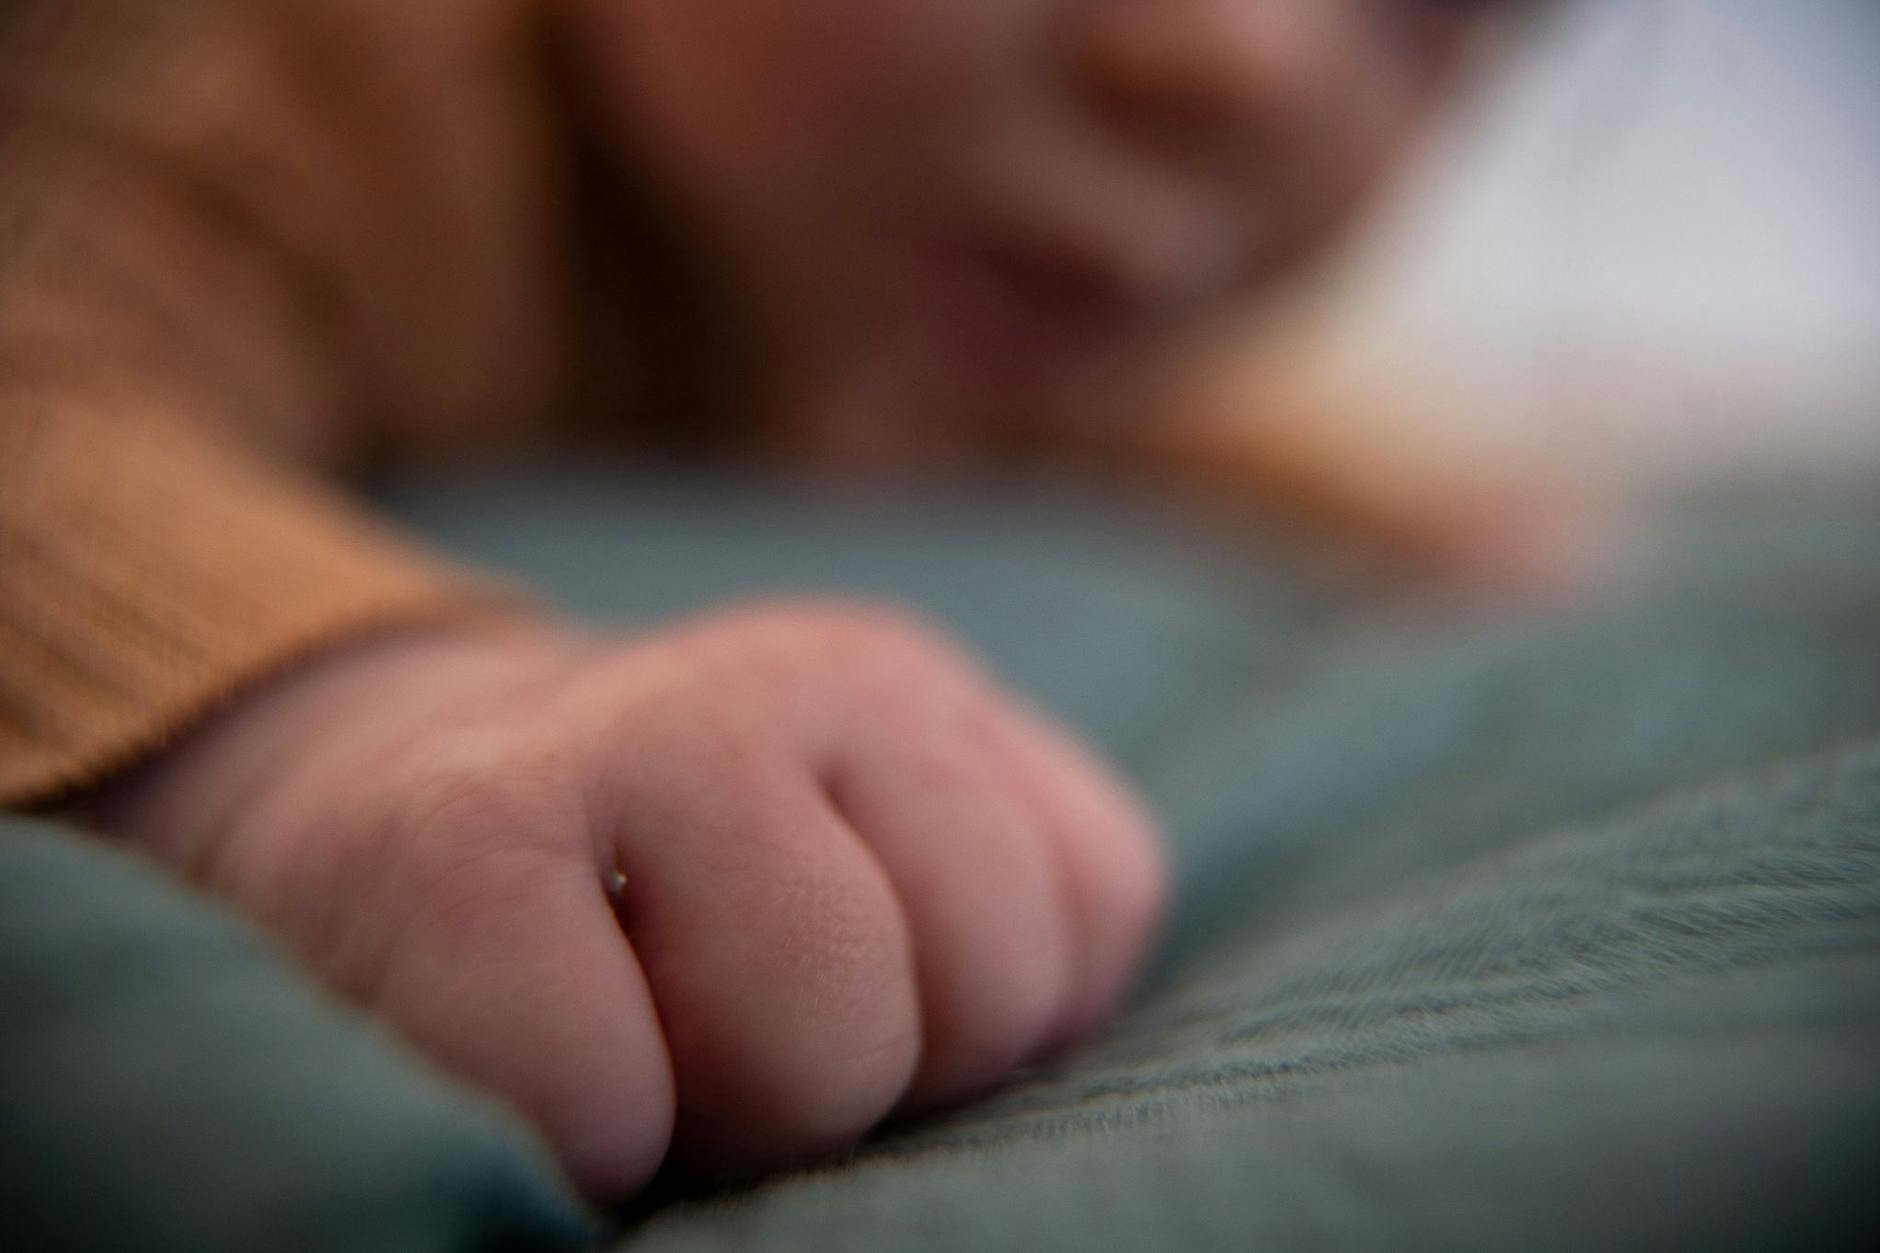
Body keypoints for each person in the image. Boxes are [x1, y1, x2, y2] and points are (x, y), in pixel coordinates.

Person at [0, 0, 1503, 1198]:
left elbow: (1099, 407)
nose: (1247, 54)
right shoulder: (282, 59)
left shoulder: (916, 254)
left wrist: (1374, 494)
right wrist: (322, 733)